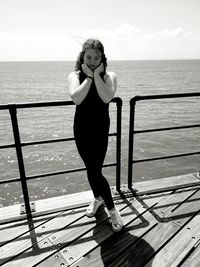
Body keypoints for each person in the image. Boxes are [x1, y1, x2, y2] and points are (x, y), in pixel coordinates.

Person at [67, 38, 123, 232]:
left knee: (95, 171)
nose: (92, 61)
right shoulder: (75, 75)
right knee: (91, 169)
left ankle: (112, 210)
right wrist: (89, 77)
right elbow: (76, 98)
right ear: (83, 57)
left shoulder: (110, 76)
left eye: (96, 57)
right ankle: (98, 199)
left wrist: (97, 75)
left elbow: (107, 97)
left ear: (102, 57)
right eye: (88, 57)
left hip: (100, 130)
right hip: (81, 130)